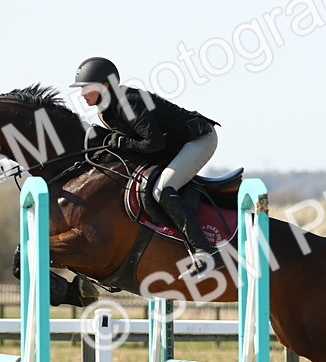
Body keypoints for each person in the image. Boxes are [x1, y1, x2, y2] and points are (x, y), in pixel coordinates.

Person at [71, 56, 223, 277]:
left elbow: (153, 143)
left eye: (86, 88)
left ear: (104, 86)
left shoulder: (127, 102)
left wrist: (121, 142)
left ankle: (205, 253)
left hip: (198, 140)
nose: (82, 94)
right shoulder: (107, 108)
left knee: (163, 189)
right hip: (171, 146)